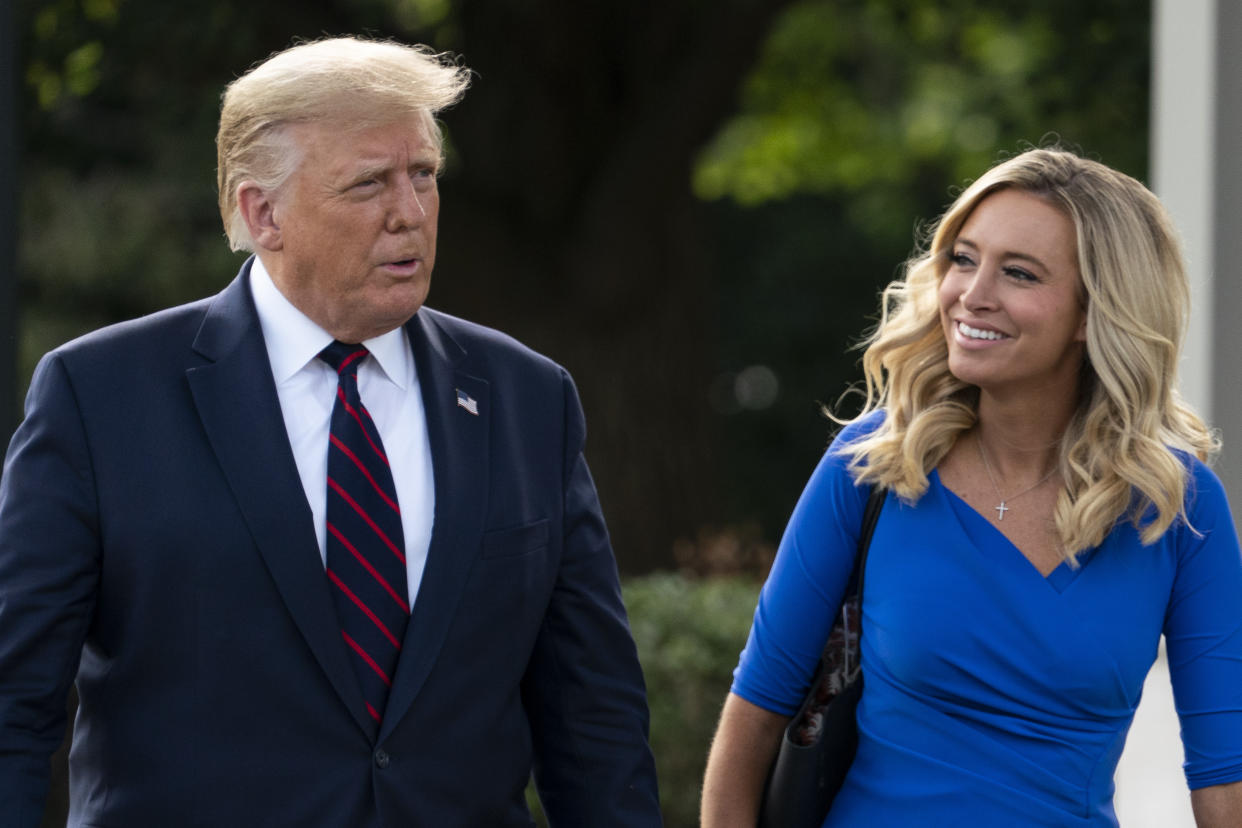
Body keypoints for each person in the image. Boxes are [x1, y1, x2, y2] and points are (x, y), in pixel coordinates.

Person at [0, 36, 661, 827]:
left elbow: (595, 719)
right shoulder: (99, 395)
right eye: (369, 184)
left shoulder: (527, 397)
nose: (410, 214)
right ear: (262, 212)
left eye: (423, 175)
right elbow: (15, 697)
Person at [700, 148, 1242, 827]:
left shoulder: (1178, 508)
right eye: (962, 258)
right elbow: (751, 727)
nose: (972, 293)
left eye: (1019, 273)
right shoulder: (874, 463)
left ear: (1092, 314)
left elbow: (1226, 781)